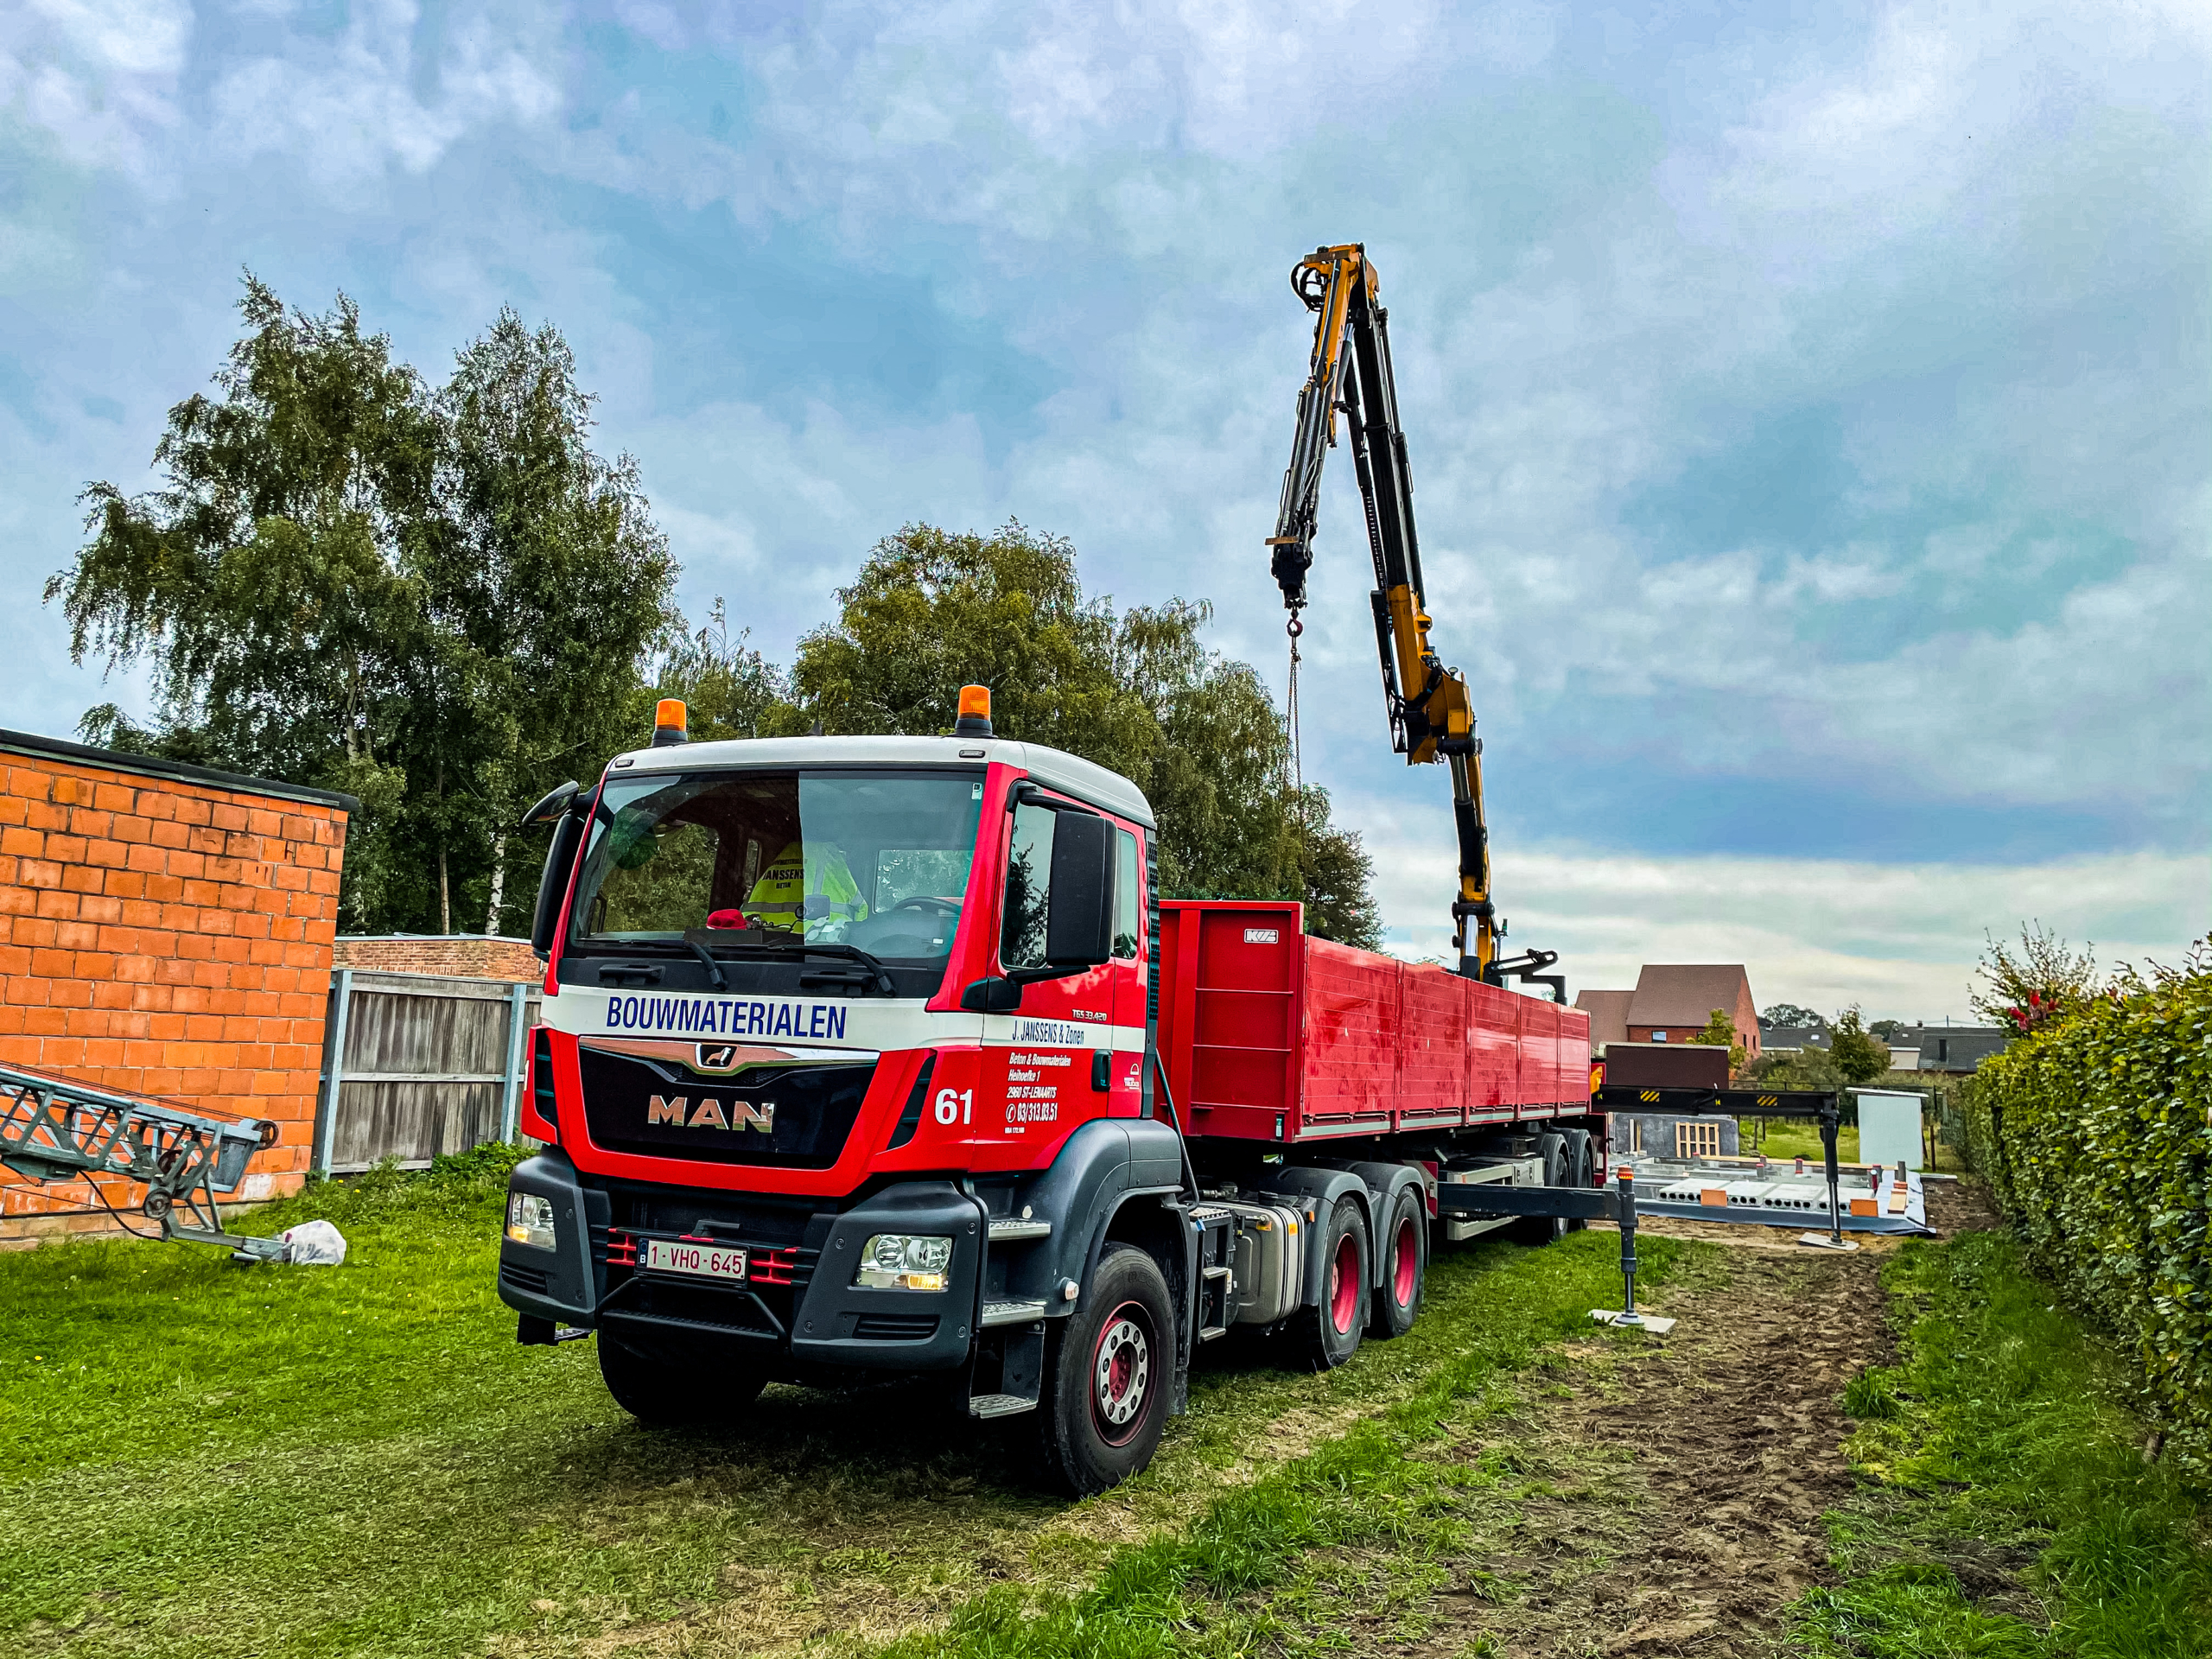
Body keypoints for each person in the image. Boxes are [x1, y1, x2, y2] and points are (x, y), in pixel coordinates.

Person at [740, 839, 868, 938]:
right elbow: (860, 908)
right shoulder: (831, 855)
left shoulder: (780, 859)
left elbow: (743, 918)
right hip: (827, 947)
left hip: (766, 949)